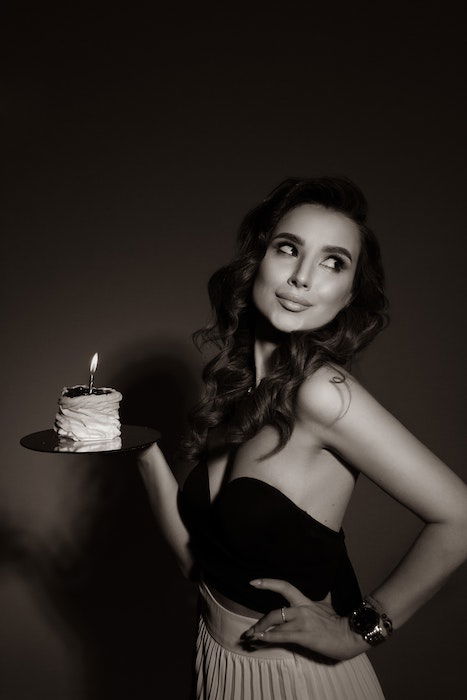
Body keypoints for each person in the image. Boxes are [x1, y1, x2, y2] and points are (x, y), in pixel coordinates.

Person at [138, 177, 467, 699]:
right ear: (258, 261)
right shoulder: (240, 391)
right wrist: (140, 452)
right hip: (220, 666)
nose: (301, 277)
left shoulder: (322, 393)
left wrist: (360, 630)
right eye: (288, 249)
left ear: (351, 292)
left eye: (333, 262)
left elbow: (460, 516)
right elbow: (200, 567)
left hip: (299, 680)